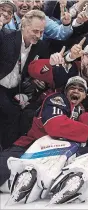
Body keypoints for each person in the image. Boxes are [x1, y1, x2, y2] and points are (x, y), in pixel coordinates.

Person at [0, 76, 88, 189]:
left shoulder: (80, 109)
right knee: (3, 167)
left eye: (81, 90)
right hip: (28, 147)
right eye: (72, 88)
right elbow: (54, 126)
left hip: (53, 154)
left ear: (84, 96)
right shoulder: (57, 99)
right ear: (66, 91)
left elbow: (85, 120)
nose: (76, 91)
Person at [0, 9, 50, 149]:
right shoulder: (6, 38)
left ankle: (9, 150)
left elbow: (39, 69)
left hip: (16, 89)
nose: (38, 35)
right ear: (24, 26)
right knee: (10, 112)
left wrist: (35, 79)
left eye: (41, 32)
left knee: (21, 113)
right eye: (35, 31)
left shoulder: (41, 46)